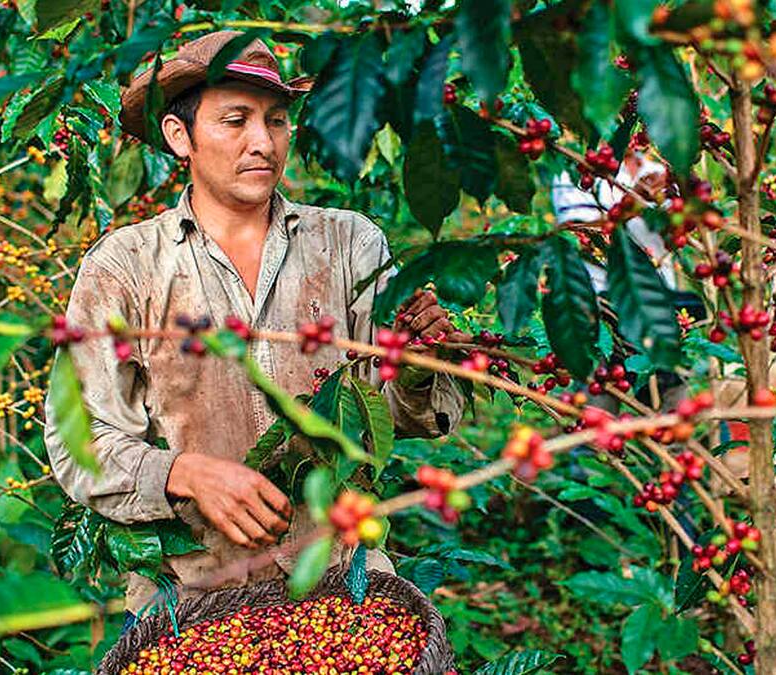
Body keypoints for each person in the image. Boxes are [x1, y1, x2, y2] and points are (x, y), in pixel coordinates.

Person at [43, 31, 465, 622]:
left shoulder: (349, 244)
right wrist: (181, 473)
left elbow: (396, 414)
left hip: (347, 587)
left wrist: (419, 366)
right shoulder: (125, 266)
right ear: (179, 135)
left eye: (276, 121)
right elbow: (81, 444)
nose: (263, 142)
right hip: (193, 601)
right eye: (235, 121)